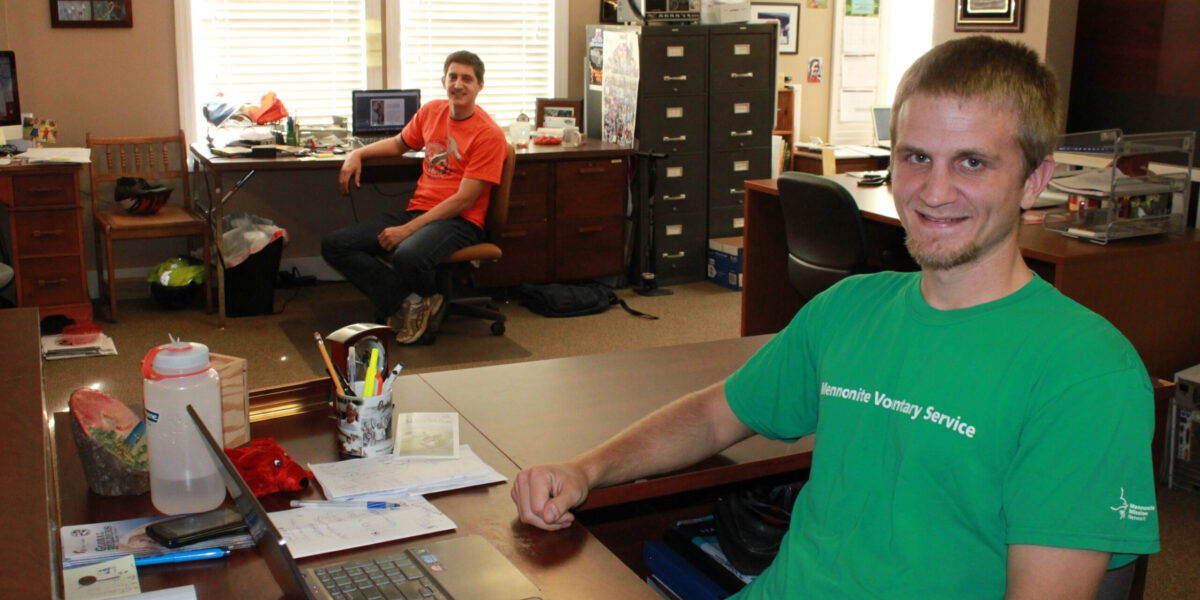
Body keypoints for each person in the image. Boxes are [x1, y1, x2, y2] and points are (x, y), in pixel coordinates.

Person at [511, 36, 1159, 598]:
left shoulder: (1085, 371)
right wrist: (584, 470)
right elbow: (714, 414)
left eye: (972, 162)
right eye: (916, 157)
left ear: (1035, 179)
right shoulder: (850, 308)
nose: (934, 192)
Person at [323, 50, 508, 344]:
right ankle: (413, 300)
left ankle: (414, 302)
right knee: (335, 244)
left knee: (407, 254)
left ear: (480, 86)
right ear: (443, 80)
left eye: (467, 79)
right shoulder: (432, 112)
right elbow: (399, 144)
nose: (458, 84)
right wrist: (357, 153)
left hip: (461, 221)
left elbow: (463, 200)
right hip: (421, 211)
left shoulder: (488, 134)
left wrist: (407, 230)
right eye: (453, 77)